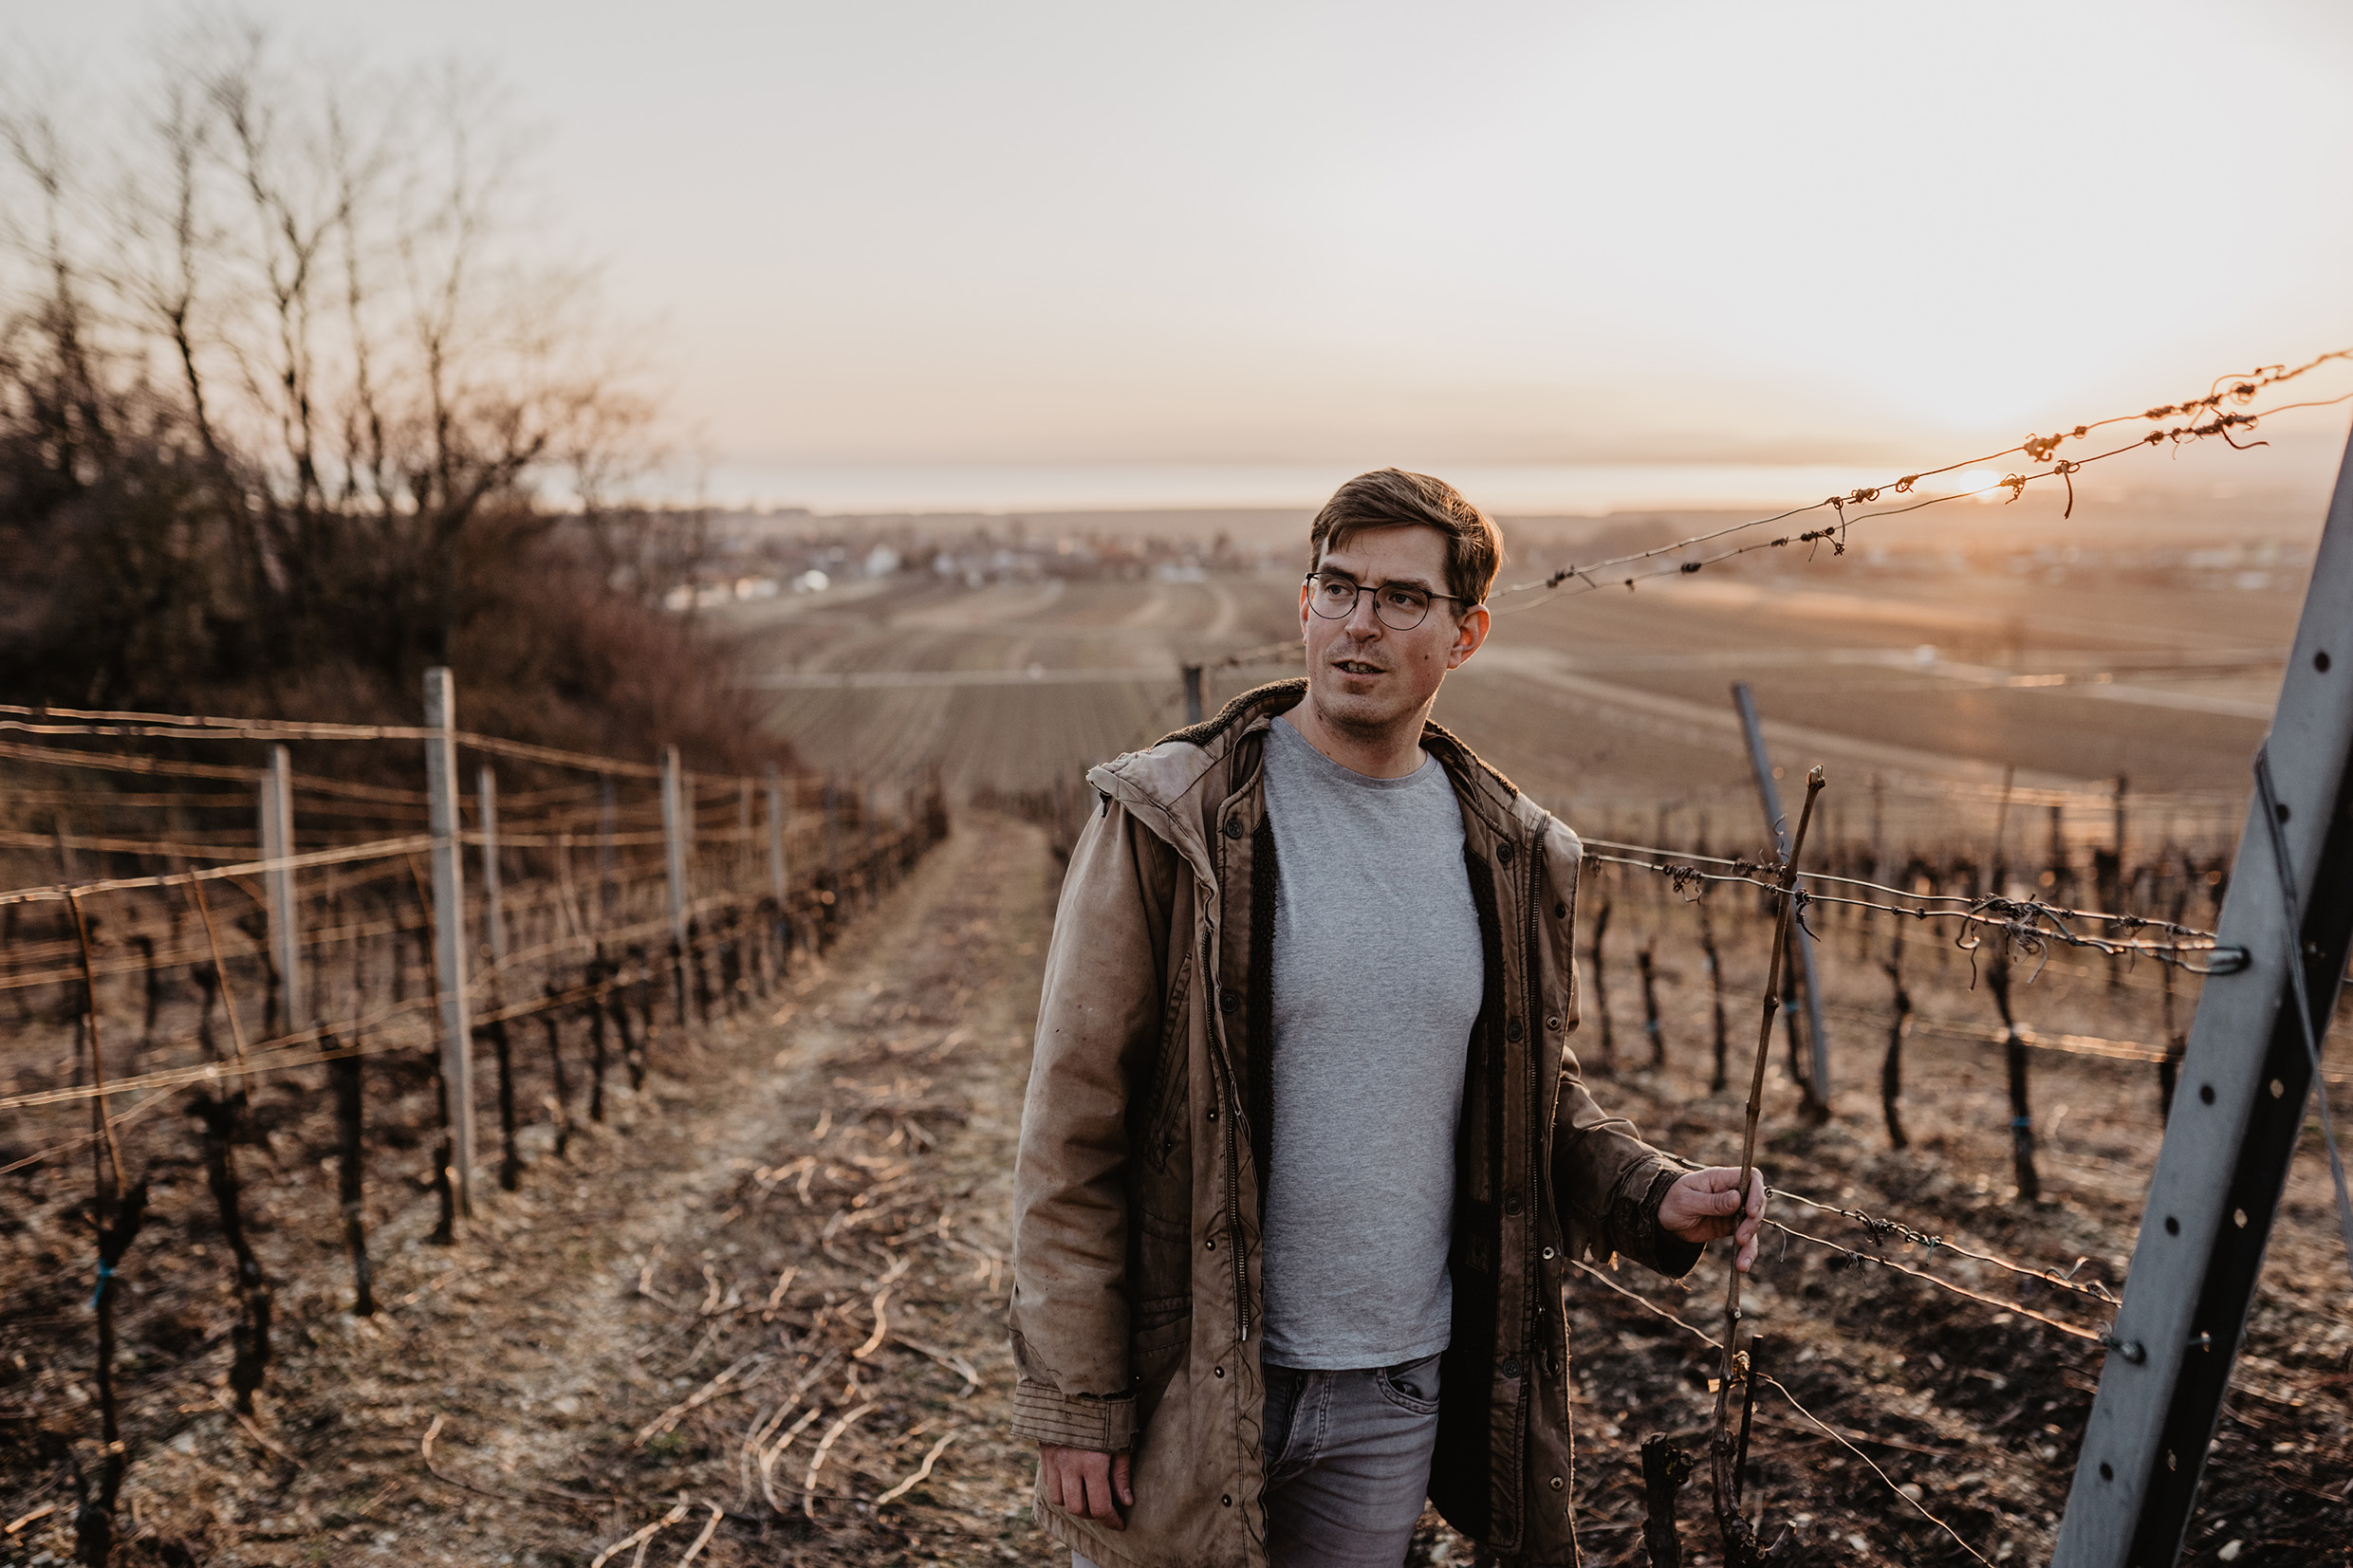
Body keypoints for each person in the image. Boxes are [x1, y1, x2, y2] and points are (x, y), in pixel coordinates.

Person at [1008, 469, 1767, 1568]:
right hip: (1192, 1380)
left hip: (1393, 1390)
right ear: (1304, 604)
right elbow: (1072, 1130)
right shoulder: (1172, 816)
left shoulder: (1509, 849)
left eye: (1402, 598)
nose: (1359, 622)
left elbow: (1523, 1087)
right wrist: (1077, 1400)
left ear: (1465, 635)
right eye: (1338, 586)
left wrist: (1649, 1193)